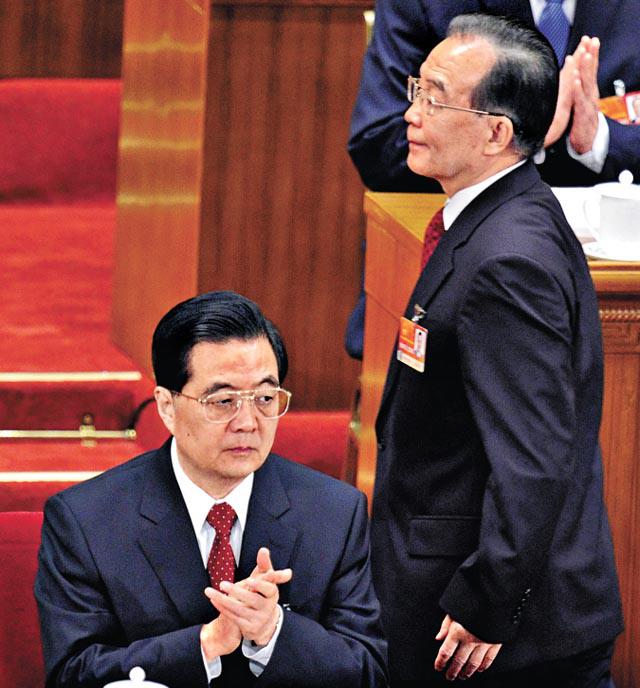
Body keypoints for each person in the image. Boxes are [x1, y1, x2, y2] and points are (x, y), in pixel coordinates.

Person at [371, 14, 623, 686]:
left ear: (496, 133)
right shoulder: (501, 215)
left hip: (495, 636)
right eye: (416, 90)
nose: (412, 114)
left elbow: (534, 456)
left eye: (436, 99)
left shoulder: (508, 261)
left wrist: (488, 600)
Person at [35, 291, 388, 688]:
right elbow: (72, 674)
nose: (248, 422)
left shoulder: (334, 513)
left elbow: (369, 673)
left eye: (265, 398)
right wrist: (205, 644)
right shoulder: (87, 521)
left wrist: (274, 631)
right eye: (223, 401)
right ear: (167, 407)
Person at [348, 0, 640, 191]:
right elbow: (378, 146)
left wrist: (597, 141)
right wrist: (523, 138)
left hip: (614, 244)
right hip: (451, 241)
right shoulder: (431, 5)